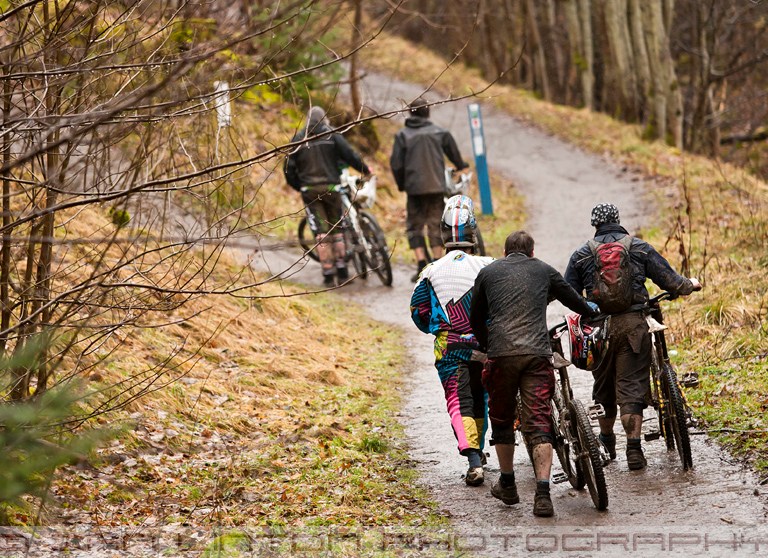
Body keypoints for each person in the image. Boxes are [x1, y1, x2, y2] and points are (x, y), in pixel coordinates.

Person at [469, 230, 598, 517]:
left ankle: (508, 484)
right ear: (532, 252)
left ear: (505, 253)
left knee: (502, 419)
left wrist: (488, 344)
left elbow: (475, 317)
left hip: (501, 355)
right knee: (539, 421)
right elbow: (573, 299)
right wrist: (591, 310)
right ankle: (543, 494)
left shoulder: (488, 273)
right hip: (537, 355)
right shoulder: (543, 269)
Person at [564, 203, 701, 471]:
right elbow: (671, 281)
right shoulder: (639, 247)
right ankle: (634, 449)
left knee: (603, 387)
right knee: (631, 388)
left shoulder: (581, 254)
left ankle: (605, 441)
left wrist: (589, 310)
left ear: (595, 225)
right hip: (633, 326)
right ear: (618, 219)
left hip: (599, 330)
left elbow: (569, 293)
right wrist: (690, 285)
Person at [410, 195, 494, 486]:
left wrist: (436, 329)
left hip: (450, 347)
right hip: (484, 344)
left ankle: (473, 460)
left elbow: (418, 311)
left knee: (459, 400)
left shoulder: (430, 271)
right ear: (474, 232)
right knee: (481, 396)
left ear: (444, 233)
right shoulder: (488, 265)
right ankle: (480, 451)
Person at [284, 106, 372, 287]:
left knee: (321, 234)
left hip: (309, 190)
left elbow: (288, 168)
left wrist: (300, 186)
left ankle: (328, 274)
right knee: (337, 230)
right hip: (332, 188)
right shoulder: (332, 135)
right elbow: (349, 155)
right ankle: (342, 272)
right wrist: (365, 170)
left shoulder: (299, 138)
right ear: (324, 119)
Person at [390, 97, 469, 282]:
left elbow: (396, 164)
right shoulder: (439, 132)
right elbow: (454, 155)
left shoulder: (402, 136)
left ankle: (420, 265)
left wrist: (402, 184)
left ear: (410, 113)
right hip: (436, 187)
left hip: (414, 188)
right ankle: (437, 262)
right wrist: (460, 165)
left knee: (414, 225)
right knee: (435, 224)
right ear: (428, 113)